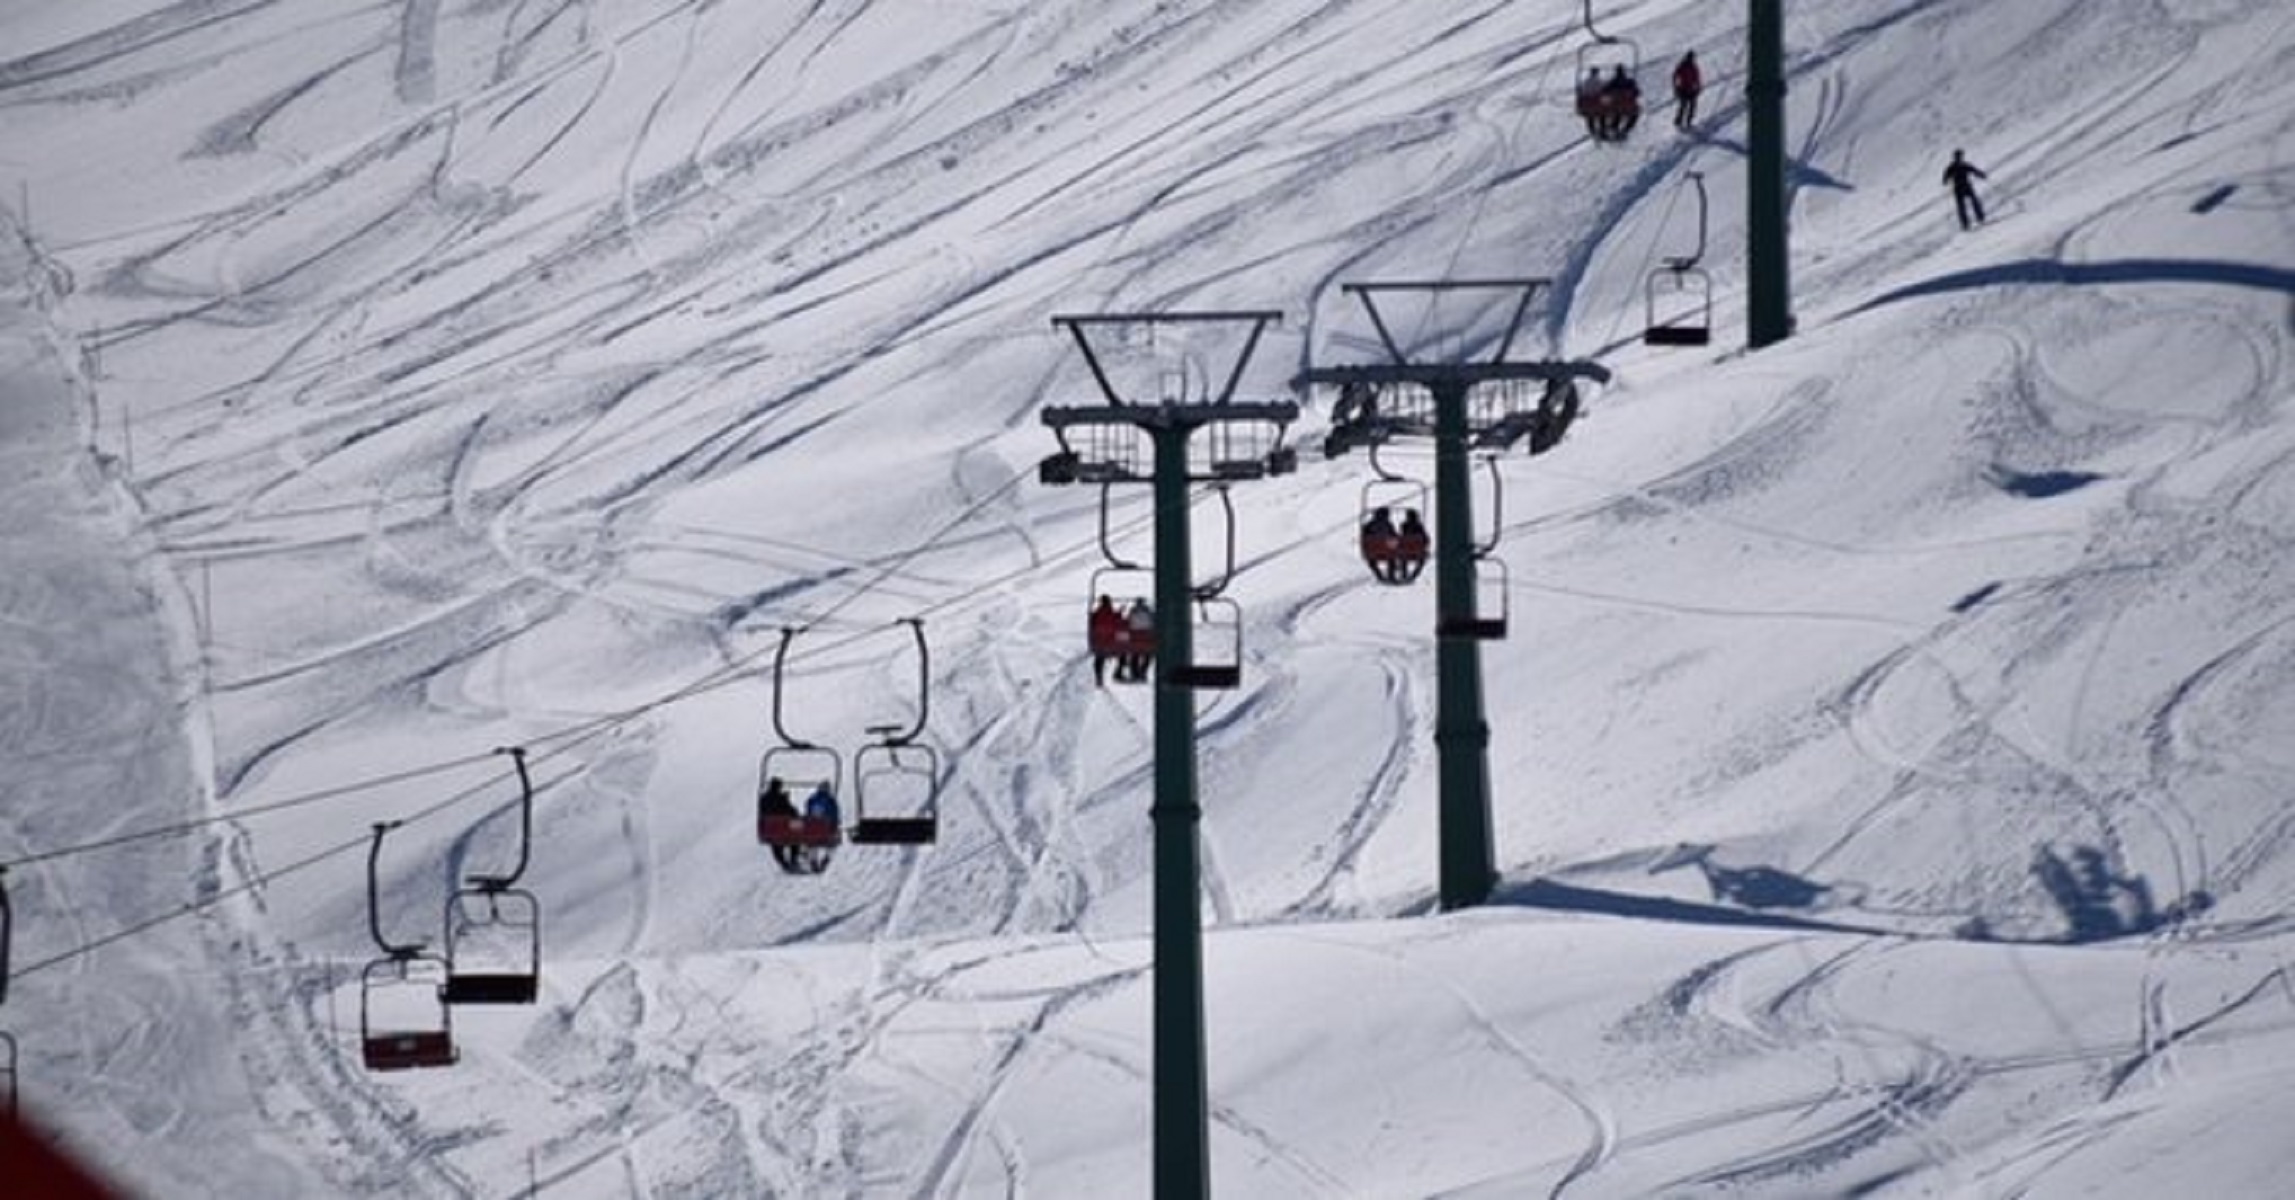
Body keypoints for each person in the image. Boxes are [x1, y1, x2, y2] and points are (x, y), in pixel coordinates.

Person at [1942, 149, 1988, 230]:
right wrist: (1945, 180)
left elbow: (1973, 170)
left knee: (1973, 202)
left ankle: (1978, 218)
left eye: (1960, 156)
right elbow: (1946, 176)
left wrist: (1981, 174)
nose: (1960, 158)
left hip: (1964, 187)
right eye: (1959, 156)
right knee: (1964, 206)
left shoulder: (1960, 166)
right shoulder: (1954, 167)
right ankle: (1967, 223)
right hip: (1961, 188)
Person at [1088, 594, 1125, 686]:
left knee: (1099, 659)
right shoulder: (1111, 612)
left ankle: (1098, 677)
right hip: (1111, 642)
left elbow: (1092, 625)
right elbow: (1118, 622)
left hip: (1100, 642)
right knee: (1123, 654)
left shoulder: (1097, 613)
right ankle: (1118, 672)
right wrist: (1120, 612)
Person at [1119, 598, 1155, 683]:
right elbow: (1153, 622)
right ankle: (1143, 671)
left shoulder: (1133, 611)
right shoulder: (1148, 611)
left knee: (1135, 654)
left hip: (1135, 636)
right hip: (1146, 636)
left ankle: (1134, 672)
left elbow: (1129, 622)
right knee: (1148, 654)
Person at [1602, 66, 1642, 140]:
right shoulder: (1629, 81)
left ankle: (1614, 129)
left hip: (1616, 106)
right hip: (1628, 106)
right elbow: (1637, 92)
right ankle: (1625, 130)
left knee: (1616, 115)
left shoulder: (1613, 82)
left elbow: (1604, 91)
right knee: (1634, 115)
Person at [1671, 51, 1702, 130]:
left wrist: (1698, 86)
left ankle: (1686, 121)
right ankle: (1680, 121)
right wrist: (1676, 86)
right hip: (1684, 89)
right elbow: (1675, 75)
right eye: (1691, 58)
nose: (1692, 59)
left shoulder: (1691, 67)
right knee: (1685, 106)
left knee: (1689, 106)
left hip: (1689, 89)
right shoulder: (1683, 66)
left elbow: (1697, 78)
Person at [1575, 67, 1606, 139]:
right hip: (1597, 104)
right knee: (1602, 115)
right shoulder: (1600, 81)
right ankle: (1602, 130)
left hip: (1588, 104)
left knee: (1590, 116)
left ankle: (1592, 130)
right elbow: (1604, 89)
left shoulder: (1585, 82)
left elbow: (1581, 91)